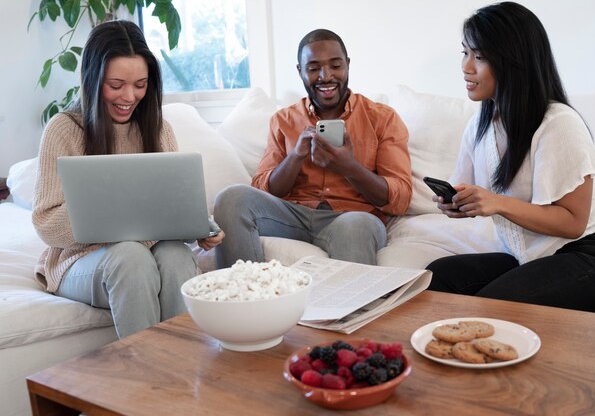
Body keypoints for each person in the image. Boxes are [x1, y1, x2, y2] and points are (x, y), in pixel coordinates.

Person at [31, 20, 224, 338]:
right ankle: (144, 382)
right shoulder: (63, 129)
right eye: (115, 84)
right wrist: (117, 210)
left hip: (148, 252)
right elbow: (46, 223)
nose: (129, 96)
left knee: (176, 255)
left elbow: (168, 207)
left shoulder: (159, 129)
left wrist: (196, 225)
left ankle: (185, 371)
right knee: (130, 256)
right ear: (93, 80)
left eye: (140, 84)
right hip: (80, 260)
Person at [426, 2, 595, 312]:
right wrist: (456, 204)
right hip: (526, 257)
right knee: (435, 277)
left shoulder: (558, 123)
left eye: (480, 56)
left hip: (583, 257)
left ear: (513, 61)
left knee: (489, 309)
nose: (466, 67)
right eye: (465, 52)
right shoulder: (480, 124)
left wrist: (497, 202)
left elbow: (573, 222)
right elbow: (467, 189)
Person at [214, 29, 412, 268]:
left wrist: (349, 167)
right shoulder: (284, 119)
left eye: (335, 66)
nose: (325, 76)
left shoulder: (382, 118)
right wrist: (295, 157)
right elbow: (263, 189)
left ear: (347, 65)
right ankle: (243, 300)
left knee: (358, 225)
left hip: (349, 218)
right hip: (292, 215)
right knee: (231, 198)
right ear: (300, 71)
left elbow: (399, 199)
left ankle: (353, 306)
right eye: (314, 68)